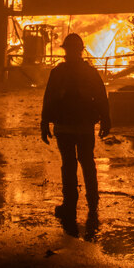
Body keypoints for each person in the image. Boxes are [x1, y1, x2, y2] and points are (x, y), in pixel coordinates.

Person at [40, 32, 111, 226]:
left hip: (65, 127)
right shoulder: (89, 72)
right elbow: (101, 97)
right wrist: (105, 120)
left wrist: (45, 122)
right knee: (87, 163)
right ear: (81, 51)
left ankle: (70, 205)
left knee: (69, 165)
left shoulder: (58, 73)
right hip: (83, 127)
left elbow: (49, 99)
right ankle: (92, 203)